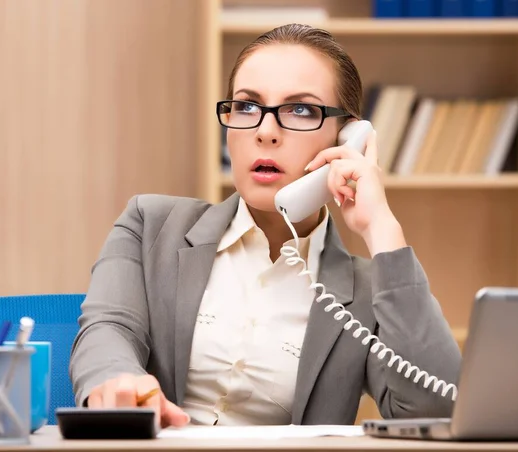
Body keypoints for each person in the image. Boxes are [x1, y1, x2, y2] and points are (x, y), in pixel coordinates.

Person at [69, 23, 461, 428]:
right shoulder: (149, 225)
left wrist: (382, 229)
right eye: (247, 106)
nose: (265, 132)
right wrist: (120, 380)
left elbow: (435, 411)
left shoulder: (368, 293)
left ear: (348, 138)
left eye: (301, 110)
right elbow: (106, 332)